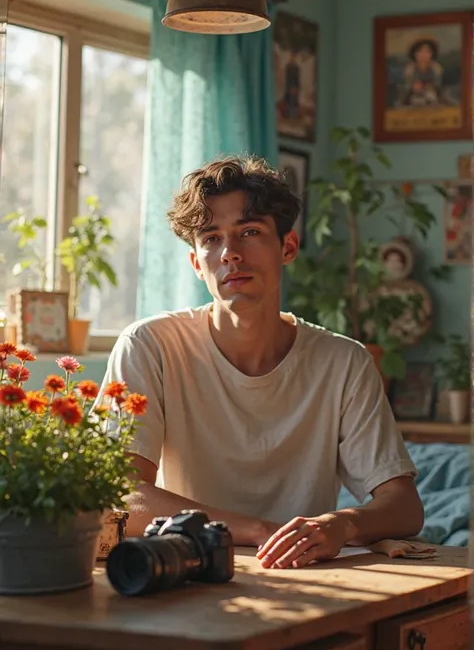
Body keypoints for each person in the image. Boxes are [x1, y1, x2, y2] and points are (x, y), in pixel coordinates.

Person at [97, 156, 423, 570]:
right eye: (211, 238)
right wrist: (258, 530)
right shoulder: (149, 346)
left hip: (305, 575)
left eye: (249, 232)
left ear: (287, 247)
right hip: (187, 572)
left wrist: (340, 525)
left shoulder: (344, 362)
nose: (230, 253)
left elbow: (404, 507)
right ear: (197, 264)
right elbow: (118, 491)